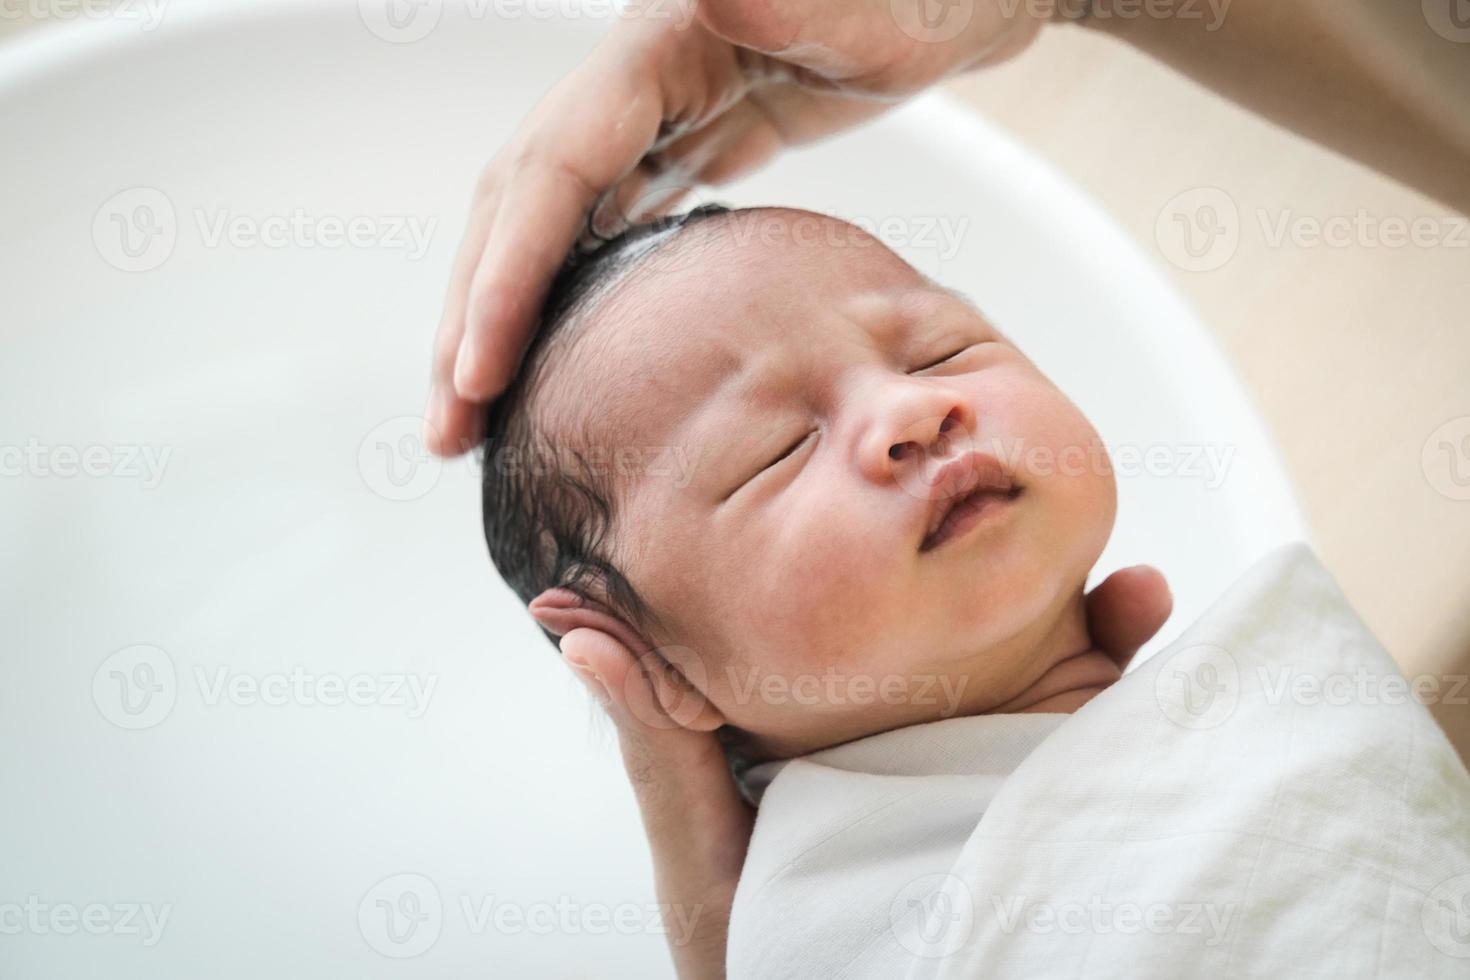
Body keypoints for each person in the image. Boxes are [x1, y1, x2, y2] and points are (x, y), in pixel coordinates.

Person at [424, 3, 1469, 975]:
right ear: (654, 665)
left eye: (936, 351)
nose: (910, 412)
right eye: (775, 450)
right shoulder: (832, 925)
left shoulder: (1246, 706)